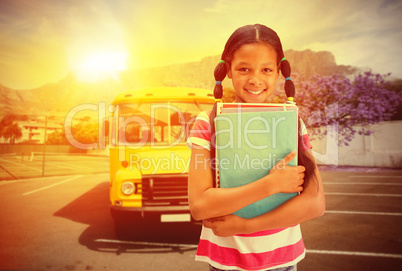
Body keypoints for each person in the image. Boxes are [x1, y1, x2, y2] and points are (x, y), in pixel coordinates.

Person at [187, 24, 325, 271]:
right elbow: (200, 206)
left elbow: (315, 203)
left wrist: (244, 225)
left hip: (284, 262)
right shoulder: (207, 123)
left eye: (266, 69)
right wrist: (271, 184)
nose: (255, 79)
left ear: (279, 73)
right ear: (228, 70)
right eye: (244, 69)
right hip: (225, 264)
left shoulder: (293, 123)